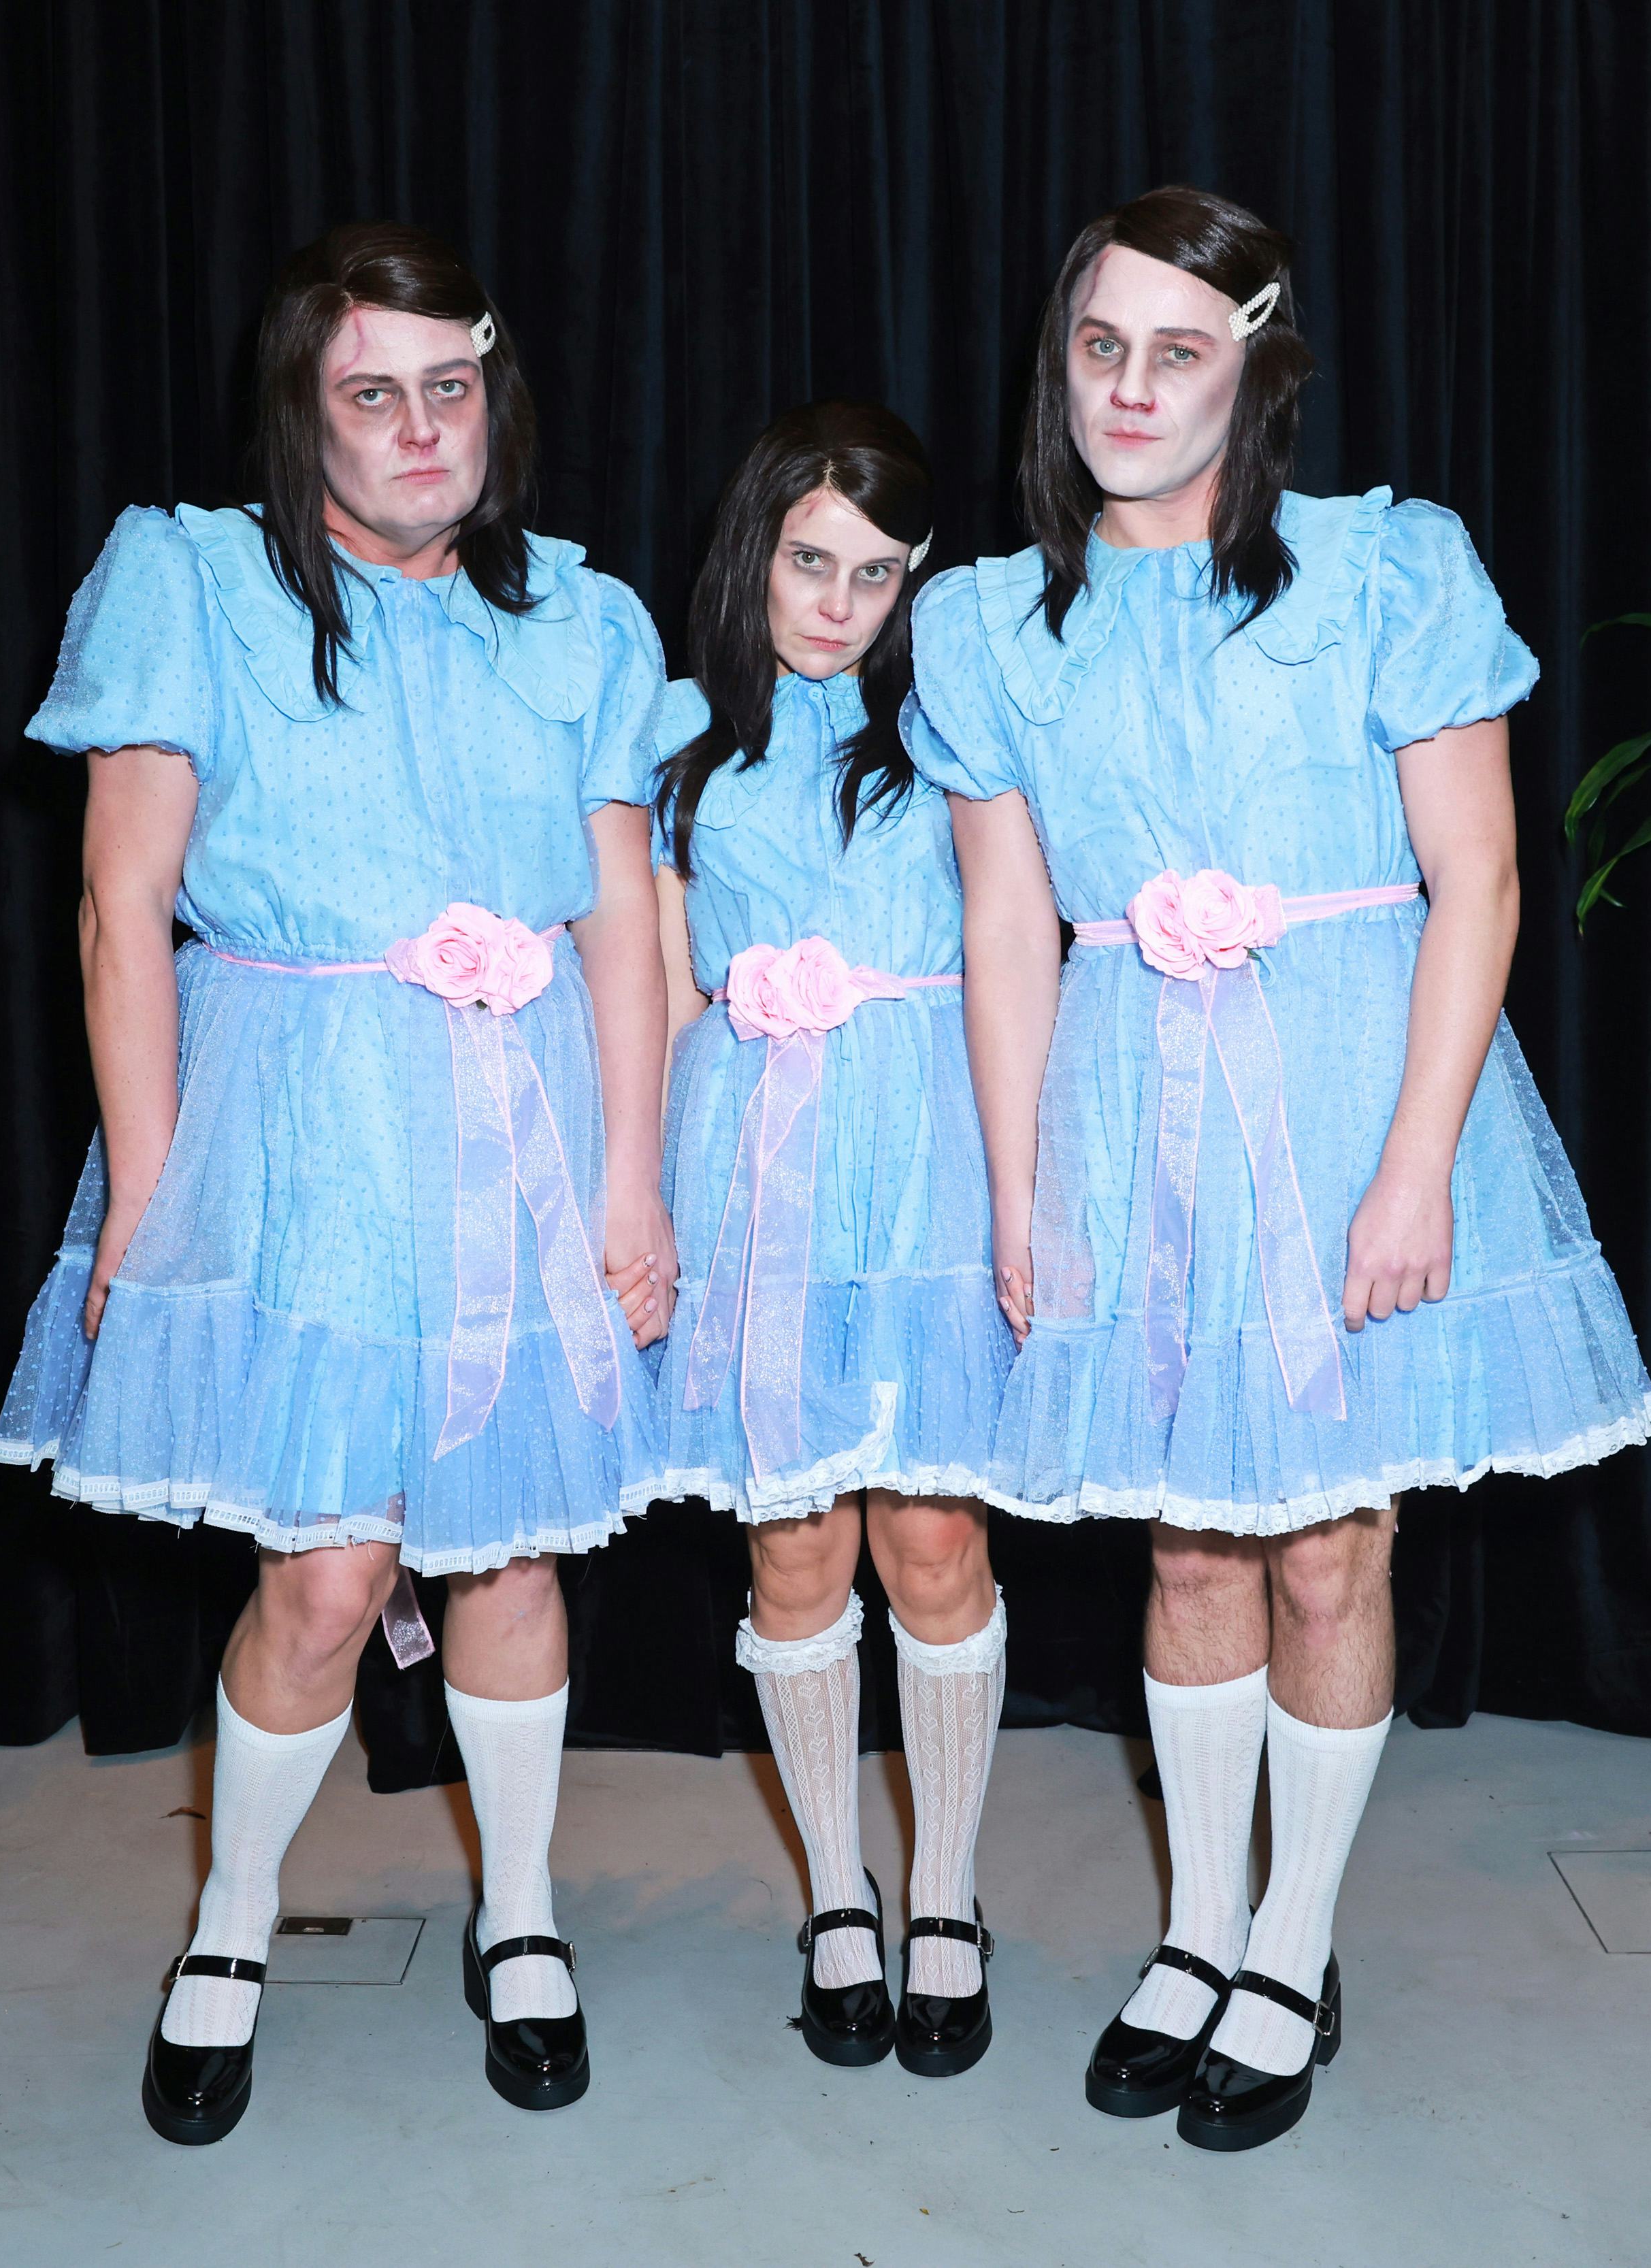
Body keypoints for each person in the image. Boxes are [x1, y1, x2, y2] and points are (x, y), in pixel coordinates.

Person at [910, 185, 1651, 2150]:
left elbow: (1481, 878)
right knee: (1182, 1537)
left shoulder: (1386, 568)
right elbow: (1004, 929)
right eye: (1099, 344)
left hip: (1348, 1097)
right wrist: (1014, 1188)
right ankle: (1201, 1922)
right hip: (1126, 1107)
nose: (1131, 388)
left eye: (1181, 348)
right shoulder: (988, 619)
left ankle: (1295, 1945)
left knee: (1331, 1535)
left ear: (1258, 371)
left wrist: (1417, 1170)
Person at [0, 223, 678, 2141]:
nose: (419, 426)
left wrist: (636, 1180)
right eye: (371, 393)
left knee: (515, 1545)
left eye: (449, 386)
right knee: (321, 1570)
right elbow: (121, 902)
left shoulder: (586, 621)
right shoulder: (191, 581)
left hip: (524, 1126)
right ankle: (227, 1925)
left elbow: (624, 916)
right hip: (294, 1125)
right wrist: (148, 1195)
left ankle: (522, 1916)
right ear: (305, 415)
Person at [643, 402, 1010, 2078]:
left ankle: (946, 1890)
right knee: (791, 1551)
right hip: (746, 1173)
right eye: (810, 560)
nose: (836, 601)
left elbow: (1017, 956)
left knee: (933, 1541)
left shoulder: (952, 727)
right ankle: (838, 1895)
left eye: (876, 572)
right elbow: (649, 992)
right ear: (755, 546)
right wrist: (634, 1204)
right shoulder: (668, 740)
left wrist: (1027, 1199)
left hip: (923, 1163)